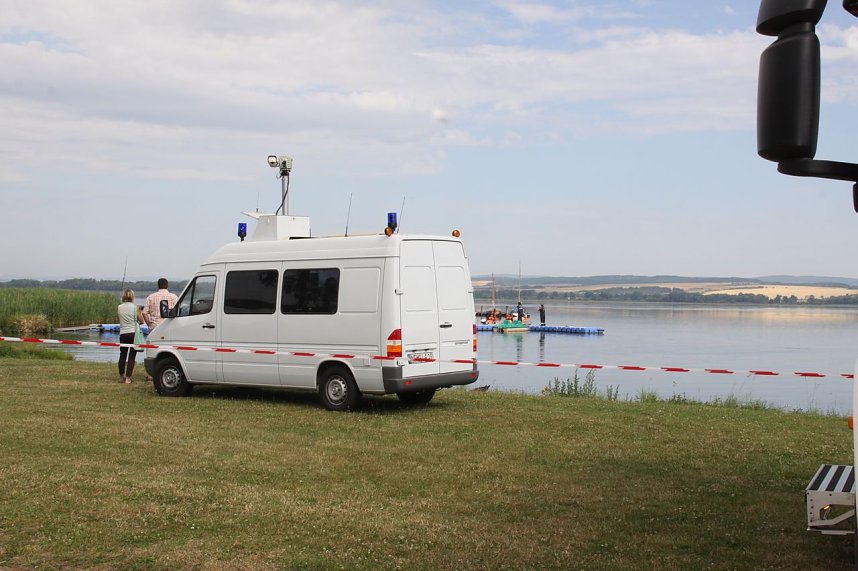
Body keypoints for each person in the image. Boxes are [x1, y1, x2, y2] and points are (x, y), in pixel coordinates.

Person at [117, 288, 144, 384]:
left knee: (122, 355)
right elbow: (142, 321)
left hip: (123, 333)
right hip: (133, 333)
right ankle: (128, 378)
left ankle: (121, 376)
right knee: (132, 356)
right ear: (132, 297)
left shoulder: (119, 307)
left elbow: (120, 319)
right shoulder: (135, 307)